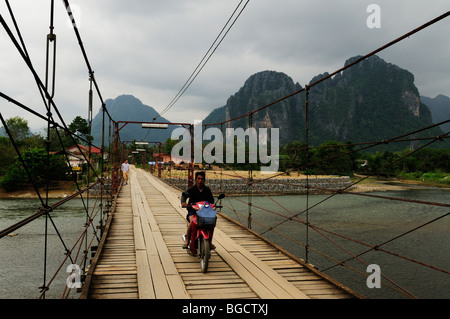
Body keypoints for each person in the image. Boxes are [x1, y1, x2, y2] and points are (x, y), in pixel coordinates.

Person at [181, 171, 215, 249]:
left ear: (204, 180)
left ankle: (210, 242)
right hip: (193, 211)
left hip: (204, 211)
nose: (200, 180)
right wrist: (183, 203)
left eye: (202, 179)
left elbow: (211, 200)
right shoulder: (192, 189)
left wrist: (213, 206)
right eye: (198, 179)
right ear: (196, 179)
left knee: (211, 223)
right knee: (191, 223)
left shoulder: (207, 190)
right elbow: (184, 196)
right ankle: (186, 241)